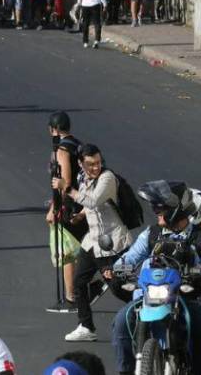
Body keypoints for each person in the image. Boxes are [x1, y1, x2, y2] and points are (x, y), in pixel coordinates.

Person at [106, 181, 201, 375]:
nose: (155, 211)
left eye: (161, 207)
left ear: (177, 209)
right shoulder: (151, 234)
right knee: (122, 320)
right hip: (148, 296)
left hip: (185, 297)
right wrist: (115, 269)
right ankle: (126, 371)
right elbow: (130, 257)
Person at [55, 144, 132, 343]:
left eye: (98, 163)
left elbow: (94, 201)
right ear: (81, 164)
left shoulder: (107, 178)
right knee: (79, 282)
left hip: (111, 243)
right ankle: (86, 326)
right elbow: (89, 205)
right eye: (90, 164)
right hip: (92, 242)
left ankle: (146, 308)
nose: (95, 167)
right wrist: (80, 216)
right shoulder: (85, 178)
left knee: (119, 288)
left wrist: (67, 188)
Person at [47, 111, 83, 309]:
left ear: (52, 129)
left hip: (70, 204)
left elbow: (65, 182)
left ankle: (70, 296)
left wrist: (54, 208)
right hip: (81, 201)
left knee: (67, 252)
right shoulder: (77, 144)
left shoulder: (62, 149)